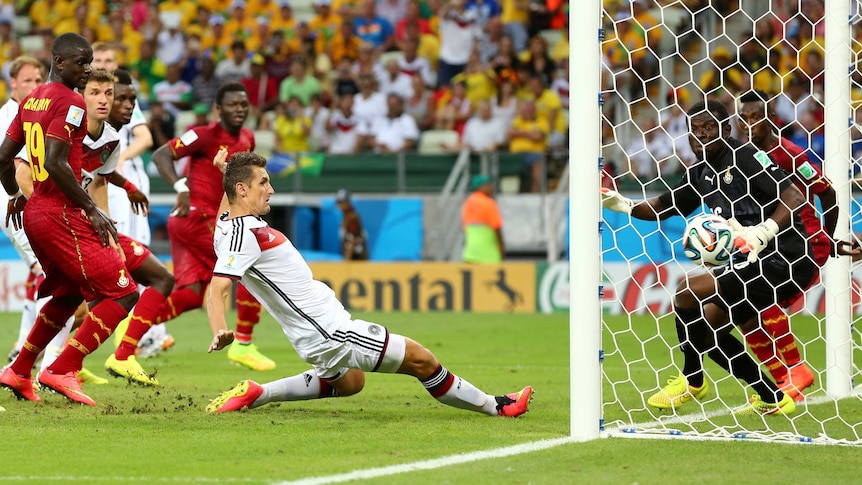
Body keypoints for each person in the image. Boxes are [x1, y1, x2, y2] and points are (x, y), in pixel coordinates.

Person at [203, 152, 533, 417]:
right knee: (421, 359)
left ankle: (258, 393)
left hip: (312, 333)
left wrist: (224, 174)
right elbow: (218, 289)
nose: (271, 189)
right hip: (329, 330)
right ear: (243, 190)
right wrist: (220, 329)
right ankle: (497, 405)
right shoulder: (243, 235)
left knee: (351, 383)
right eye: (263, 182)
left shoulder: (228, 225)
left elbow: (227, 211)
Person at [601, 100, 818, 415]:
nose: (701, 135)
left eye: (709, 128)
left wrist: (764, 231)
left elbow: (795, 195)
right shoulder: (701, 172)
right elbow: (664, 206)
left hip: (784, 257)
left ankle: (692, 381)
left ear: (726, 130)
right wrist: (624, 204)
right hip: (750, 263)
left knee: (688, 291)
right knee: (707, 335)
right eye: (695, 129)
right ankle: (773, 397)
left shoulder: (746, 157)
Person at [0, 33, 140, 406]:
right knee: (124, 292)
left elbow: (3, 158)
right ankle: (62, 368)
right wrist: (93, 209)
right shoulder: (72, 102)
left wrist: (14, 195)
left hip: (35, 213)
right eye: (82, 62)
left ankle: (19, 369)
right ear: (60, 63)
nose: (88, 69)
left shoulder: (30, 100)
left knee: (68, 294)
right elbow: (54, 162)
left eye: (91, 61)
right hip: (62, 212)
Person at [736, 90, 859, 399]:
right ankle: (784, 383)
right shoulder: (744, 157)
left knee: (760, 297)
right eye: (744, 119)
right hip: (774, 244)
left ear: (771, 120)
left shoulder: (789, 153)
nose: (750, 125)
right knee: (745, 313)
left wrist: (828, 239)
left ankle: (796, 370)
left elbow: (827, 192)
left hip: (803, 242)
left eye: (756, 118)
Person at [151, 81, 274, 371]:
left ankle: (131, 328)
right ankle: (243, 344)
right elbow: (161, 155)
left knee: (193, 294)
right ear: (218, 109)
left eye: (243, 104)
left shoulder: (247, 137)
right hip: (198, 218)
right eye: (232, 104)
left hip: (206, 222)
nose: (239, 109)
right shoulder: (204, 136)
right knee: (248, 266)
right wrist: (180, 186)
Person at [0, 56, 45, 363]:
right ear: (13, 83)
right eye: (28, 81)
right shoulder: (9, 118)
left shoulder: (35, 112)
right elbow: (14, 168)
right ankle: (34, 364)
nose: (35, 86)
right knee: (50, 276)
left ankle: (21, 348)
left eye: (39, 80)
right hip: (16, 206)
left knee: (38, 275)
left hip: (31, 203)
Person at [461, 174, 504, 263]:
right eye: (488, 185)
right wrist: (502, 248)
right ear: (479, 187)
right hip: (488, 255)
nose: (491, 187)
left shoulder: (467, 203)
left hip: (470, 254)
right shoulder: (488, 203)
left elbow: (465, 228)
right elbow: (497, 228)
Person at [335, 189, 369, 261]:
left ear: (347, 202)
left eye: (341, 202)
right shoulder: (346, 217)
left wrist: (347, 258)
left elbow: (353, 239)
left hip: (356, 258)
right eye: (338, 202)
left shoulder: (352, 217)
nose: (339, 205)